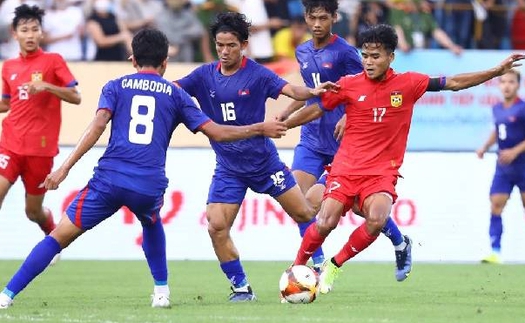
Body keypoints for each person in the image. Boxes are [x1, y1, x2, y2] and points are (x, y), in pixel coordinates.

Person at [0, 27, 289, 309]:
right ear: (165, 62)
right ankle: (161, 291)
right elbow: (217, 132)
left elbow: (97, 127)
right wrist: (260, 128)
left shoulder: (115, 86)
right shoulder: (176, 95)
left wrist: (64, 169)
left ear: (132, 60)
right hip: (148, 185)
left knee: (58, 237)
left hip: (109, 180)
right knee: (151, 221)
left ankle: (7, 294)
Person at [284, 23, 524, 294]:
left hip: (381, 172)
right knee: (326, 221)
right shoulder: (348, 84)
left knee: (376, 219)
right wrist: (285, 125)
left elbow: (454, 83)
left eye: (376, 56)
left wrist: (495, 71)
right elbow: (316, 108)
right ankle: (296, 267)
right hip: (345, 167)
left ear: (391, 57)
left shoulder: (408, 83)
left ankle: (334, 266)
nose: (368, 62)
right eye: (365, 55)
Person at [176, 12, 335, 302]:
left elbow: (290, 89)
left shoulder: (257, 74)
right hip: (229, 168)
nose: (224, 52)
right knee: (216, 225)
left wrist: (311, 90)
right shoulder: (203, 76)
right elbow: (173, 89)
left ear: (244, 45)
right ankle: (241, 287)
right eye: (220, 45)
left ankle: (319, 264)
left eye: (231, 46)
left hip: (265, 164)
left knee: (303, 213)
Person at [278, 0, 413, 281]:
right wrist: (286, 114)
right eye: (312, 18)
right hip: (312, 140)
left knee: (357, 206)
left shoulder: (345, 53)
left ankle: (399, 241)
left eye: (323, 18)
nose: (317, 24)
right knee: (297, 200)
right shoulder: (301, 51)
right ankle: (314, 263)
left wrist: (349, 117)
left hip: (345, 144)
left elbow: (366, 86)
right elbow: (312, 93)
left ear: (334, 18)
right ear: (305, 17)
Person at [0, 4, 81, 261]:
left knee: (32, 211)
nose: (30, 34)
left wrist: (46, 86)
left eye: (35, 29)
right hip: (10, 143)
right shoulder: (8, 66)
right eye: (25, 30)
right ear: (15, 34)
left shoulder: (53, 61)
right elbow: (7, 102)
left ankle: (50, 231)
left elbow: (75, 96)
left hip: (40, 150)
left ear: (42, 33)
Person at [476, 69, 525, 264]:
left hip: (522, 165)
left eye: (511, 82)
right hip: (503, 167)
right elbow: (498, 131)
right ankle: (495, 252)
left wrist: (515, 151)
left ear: (518, 85)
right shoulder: (496, 108)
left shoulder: (522, 108)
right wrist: (484, 147)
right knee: (496, 205)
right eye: (503, 82)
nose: (506, 85)